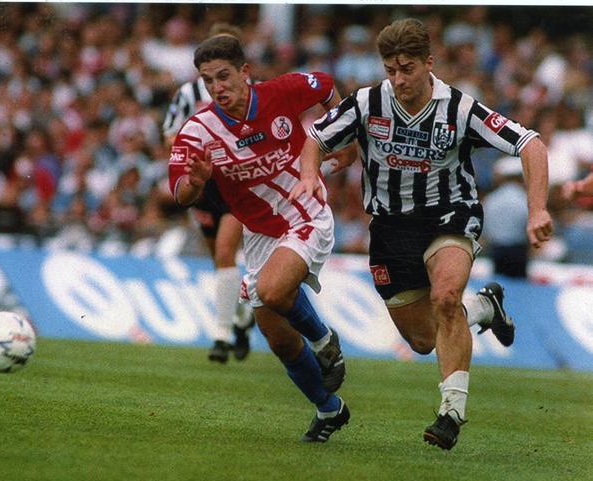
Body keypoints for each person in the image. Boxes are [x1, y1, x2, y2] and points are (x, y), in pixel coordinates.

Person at [293, 18, 553, 450]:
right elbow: (315, 139)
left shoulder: (460, 108)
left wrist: (538, 208)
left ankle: (451, 413)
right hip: (390, 227)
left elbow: (531, 144)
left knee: (445, 298)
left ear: (428, 64)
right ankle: (485, 308)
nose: (398, 80)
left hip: (449, 214)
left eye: (407, 69)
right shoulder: (366, 102)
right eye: (391, 70)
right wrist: (307, 177)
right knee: (422, 339)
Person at [168, 35, 354, 442]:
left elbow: (324, 85)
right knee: (278, 337)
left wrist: (344, 142)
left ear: (245, 72)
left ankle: (325, 341)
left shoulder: (281, 92)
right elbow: (179, 192)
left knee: (271, 291)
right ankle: (329, 409)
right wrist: (194, 184)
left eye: (224, 76)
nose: (218, 87)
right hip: (260, 234)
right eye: (208, 80)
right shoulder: (199, 130)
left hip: (305, 211)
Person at [163, 24, 255, 364]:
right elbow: (170, 136)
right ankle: (243, 317)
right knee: (217, 258)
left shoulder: (252, 92)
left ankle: (220, 336)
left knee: (225, 250)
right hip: (201, 186)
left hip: (235, 184)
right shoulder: (187, 94)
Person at [482, 157, 529, 277]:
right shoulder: (524, 199)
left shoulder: (491, 199)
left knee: (499, 285)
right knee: (518, 287)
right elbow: (528, 224)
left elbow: (485, 228)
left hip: (496, 250)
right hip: (518, 250)